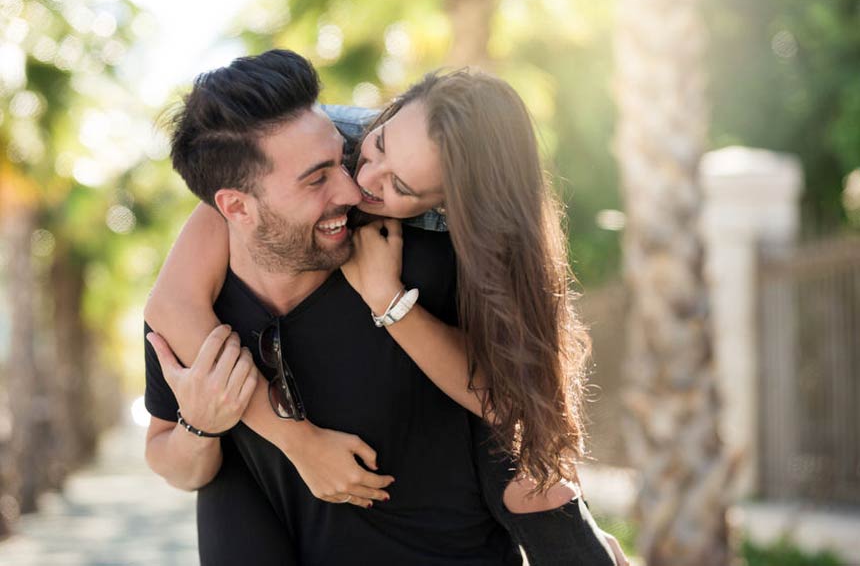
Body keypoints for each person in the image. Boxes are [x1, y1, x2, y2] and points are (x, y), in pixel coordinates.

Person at [146, 56, 628, 564]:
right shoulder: (304, 143)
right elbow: (172, 301)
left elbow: (513, 403)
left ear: (446, 206)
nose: (360, 183)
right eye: (371, 150)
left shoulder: (446, 252)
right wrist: (286, 438)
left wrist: (389, 301)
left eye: (401, 187)